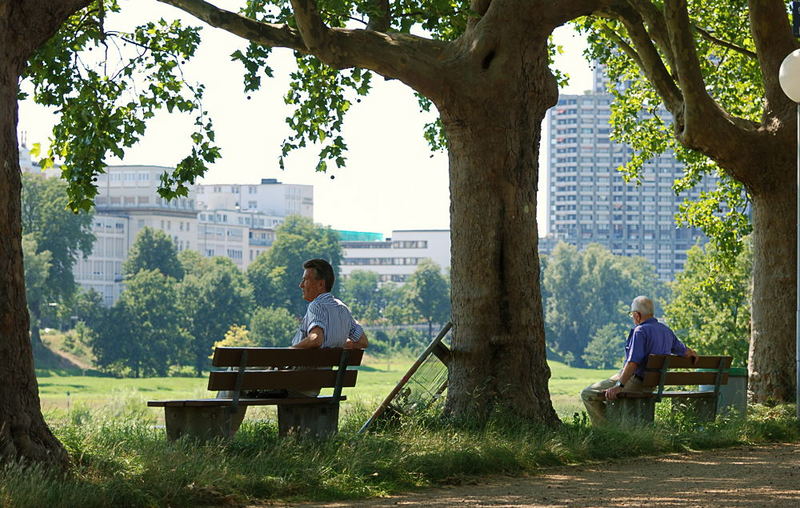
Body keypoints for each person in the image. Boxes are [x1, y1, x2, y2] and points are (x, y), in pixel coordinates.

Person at [580, 295, 696, 425]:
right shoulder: (666, 331)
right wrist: (692, 353)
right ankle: (611, 426)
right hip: (652, 383)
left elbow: (633, 363)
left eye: (632, 315)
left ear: (637, 315)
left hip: (636, 381)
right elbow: (686, 352)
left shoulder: (640, 331)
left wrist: (619, 386)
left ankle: (605, 428)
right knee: (614, 379)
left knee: (587, 393)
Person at [291, 258, 368, 350]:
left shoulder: (317, 306)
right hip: (328, 364)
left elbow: (316, 339)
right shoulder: (343, 309)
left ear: (320, 284)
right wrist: (337, 345)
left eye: (305, 280)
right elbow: (363, 341)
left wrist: (290, 350)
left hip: (301, 363)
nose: (301, 285)